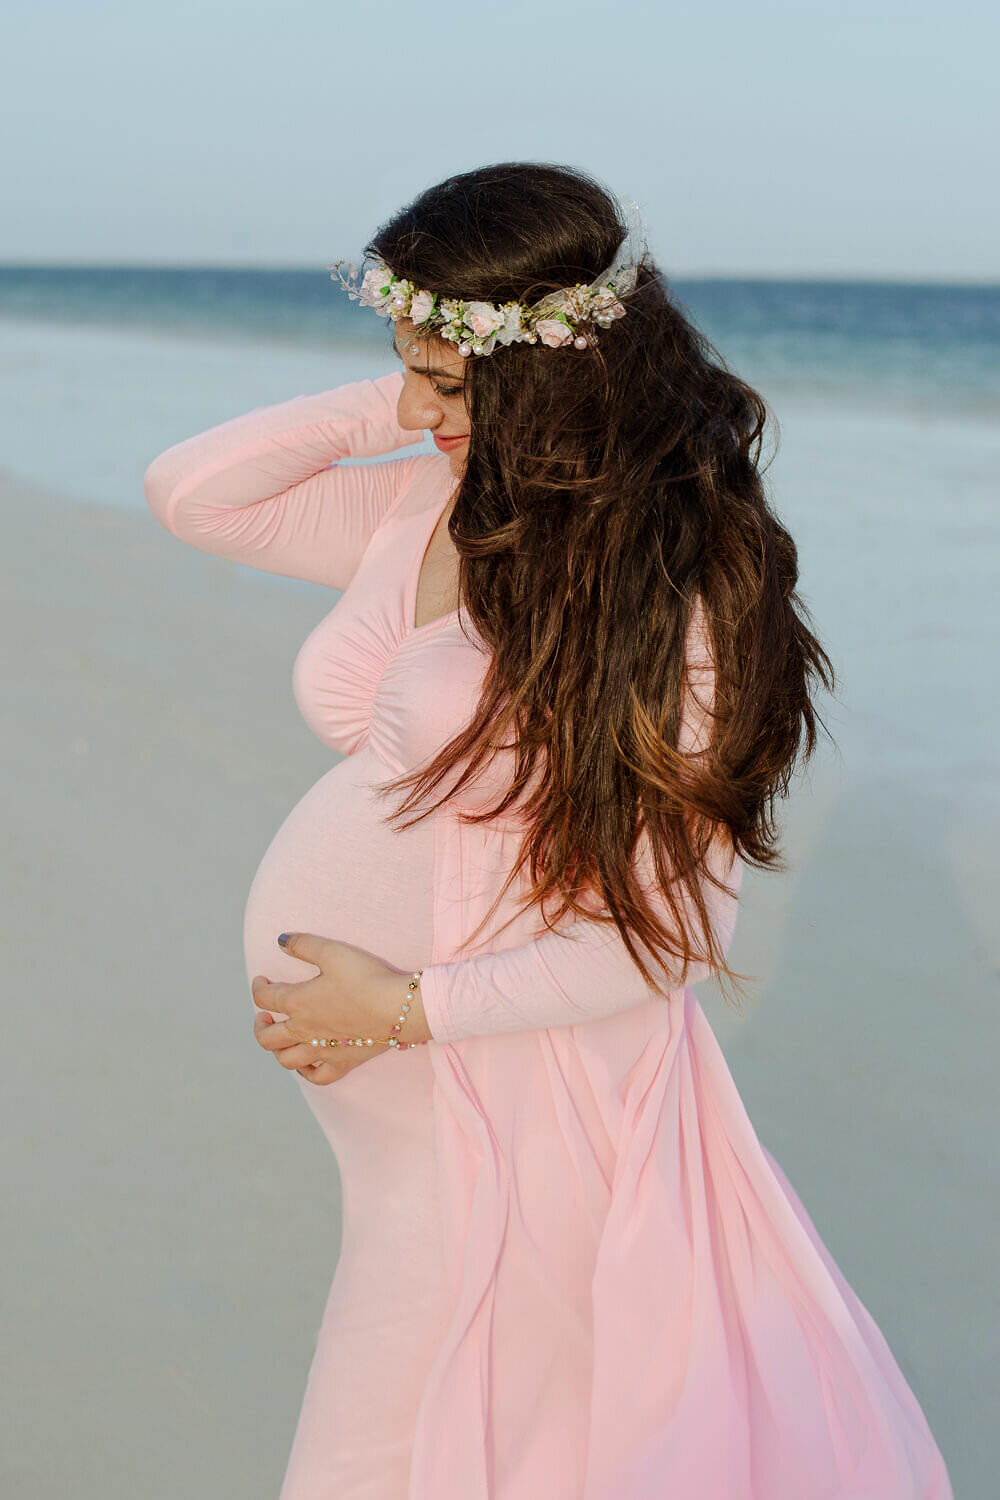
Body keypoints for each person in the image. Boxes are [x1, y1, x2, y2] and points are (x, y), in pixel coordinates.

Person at [142, 163, 953, 1500]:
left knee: (412, 1454)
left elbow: (670, 938)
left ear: (557, 372)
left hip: (509, 1101)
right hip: (415, 1128)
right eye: (404, 373)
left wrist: (407, 1005)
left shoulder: (671, 589)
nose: (423, 414)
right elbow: (194, 492)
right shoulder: (430, 505)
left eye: (454, 387)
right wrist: (394, 400)